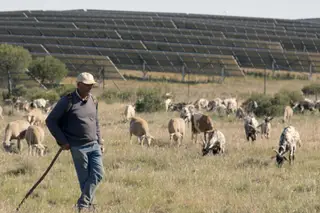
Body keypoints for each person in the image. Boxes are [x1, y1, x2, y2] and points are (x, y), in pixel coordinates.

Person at [46, 72, 104, 212]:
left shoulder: (93, 100)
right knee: (85, 180)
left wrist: (100, 141)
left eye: (91, 85)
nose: (90, 87)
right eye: (87, 85)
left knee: (98, 174)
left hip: (94, 144)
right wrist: (63, 141)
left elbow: (95, 122)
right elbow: (50, 121)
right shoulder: (67, 100)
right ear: (78, 85)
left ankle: (83, 204)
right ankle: (89, 207)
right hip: (78, 146)